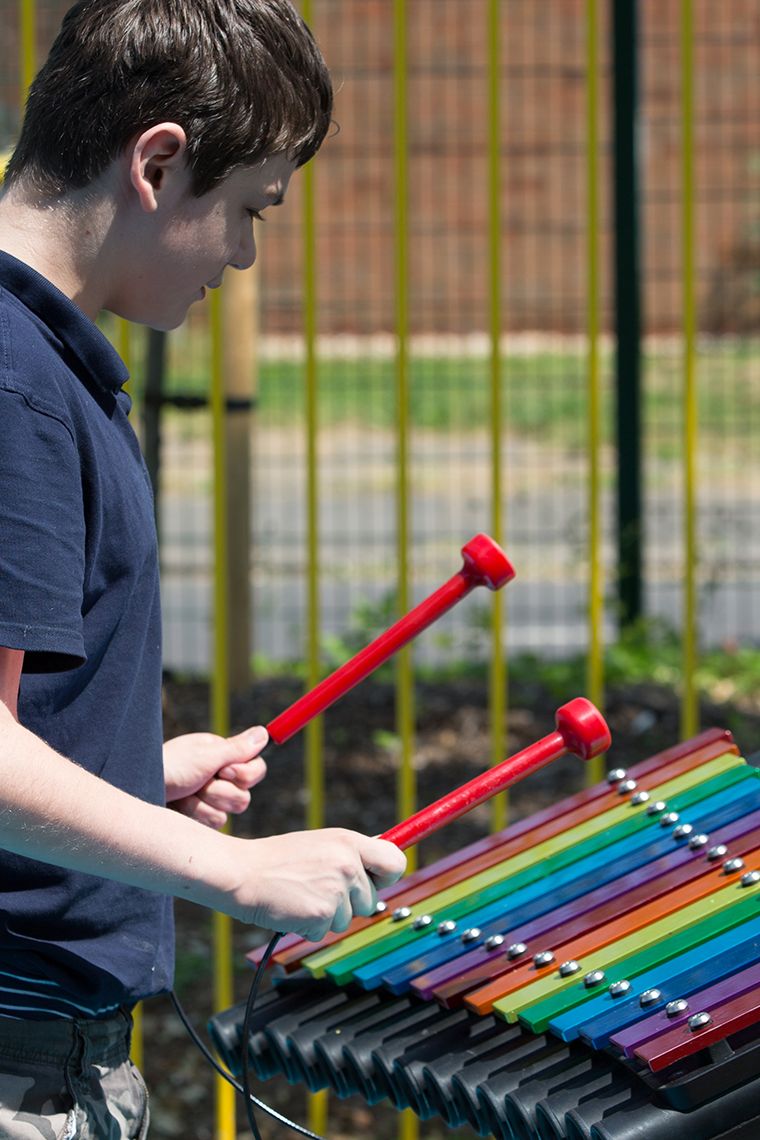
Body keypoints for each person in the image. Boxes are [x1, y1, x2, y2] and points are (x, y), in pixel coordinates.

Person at [0, 1, 406, 1136]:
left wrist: (122, 777)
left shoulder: (37, 361)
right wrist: (228, 869)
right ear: (158, 162)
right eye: (246, 209)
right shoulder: (14, 384)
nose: (246, 251)